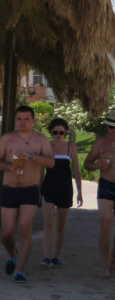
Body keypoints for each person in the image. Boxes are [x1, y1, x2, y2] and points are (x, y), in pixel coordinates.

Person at [0, 105, 54, 283]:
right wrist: (8, 166)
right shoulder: (7, 138)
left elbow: (51, 163)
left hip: (30, 188)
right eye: (19, 119)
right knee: (6, 233)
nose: (22, 122)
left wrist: (32, 155)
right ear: (15, 120)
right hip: (9, 188)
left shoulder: (41, 140)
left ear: (33, 120)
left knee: (25, 228)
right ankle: (13, 255)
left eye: (26, 119)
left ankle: (20, 270)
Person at [39, 118, 82, 268]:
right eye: (55, 132)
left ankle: (55, 256)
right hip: (49, 187)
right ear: (51, 132)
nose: (58, 135)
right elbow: (40, 170)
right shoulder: (46, 147)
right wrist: (37, 189)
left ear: (66, 132)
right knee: (48, 223)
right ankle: (46, 256)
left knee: (60, 225)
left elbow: (76, 171)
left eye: (61, 132)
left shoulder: (71, 148)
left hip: (65, 188)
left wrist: (80, 191)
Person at [83, 110, 115, 277]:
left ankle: (112, 260)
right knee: (105, 223)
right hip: (106, 185)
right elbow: (87, 163)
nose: (112, 130)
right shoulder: (101, 142)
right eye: (110, 126)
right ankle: (105, 265)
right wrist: (96, 166)